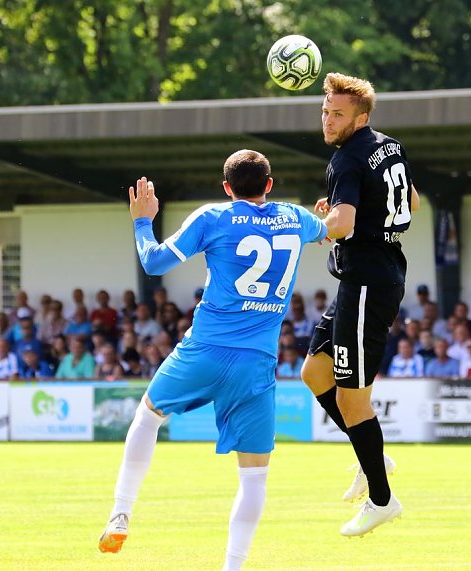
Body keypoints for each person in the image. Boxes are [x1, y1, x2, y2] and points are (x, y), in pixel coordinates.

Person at [98, 150, 326, 571]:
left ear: (226, 188)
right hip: (256, 362)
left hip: (204, 349)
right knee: (254, 477)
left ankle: (121, 512)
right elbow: (330, 229)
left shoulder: (213, 217)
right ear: (269, 185)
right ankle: (232, 567)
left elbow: (154, 262)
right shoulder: (295, 218)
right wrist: (326, 219)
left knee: (147, 417)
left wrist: (142, 221)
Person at [300, 73, 419, 538]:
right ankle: (373, 456)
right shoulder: (390, 146)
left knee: (353, 399)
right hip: (367, 277)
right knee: (315, 372)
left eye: (338, 115)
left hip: (368, 282)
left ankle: (382, 499)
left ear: (361, 118)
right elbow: (410, 202)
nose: (328, 121)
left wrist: (317, 226)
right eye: (325, 112)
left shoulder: (346, 157)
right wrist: (343, 209)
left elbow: (343, 225)